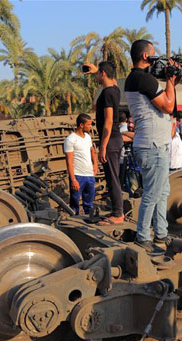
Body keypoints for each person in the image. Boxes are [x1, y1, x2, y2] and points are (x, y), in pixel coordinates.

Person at [124, 39, 179, 252]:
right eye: (154, 54)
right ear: (146, 56)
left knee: (162, 191)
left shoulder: (136, 78)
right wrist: (171, 81)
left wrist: (171, 81)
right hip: (152, 145)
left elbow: (165, 101)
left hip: (153, 144)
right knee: (152, 193)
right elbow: (168, 106)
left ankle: (161, 233)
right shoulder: (143, 79)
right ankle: (143, 236)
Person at [84, 61, 124, 225]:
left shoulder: (108, 94)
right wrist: (97, 71)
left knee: (112, 178)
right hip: (115, 139)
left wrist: (103, 146)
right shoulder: (114, 89)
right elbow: (112, 80)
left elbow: (108, 121)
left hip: (111, 140)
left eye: (99, 73)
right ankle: (117, 211)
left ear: (103, 74)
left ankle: (118, 214)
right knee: (113, 177)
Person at [64, 114, 98, 215]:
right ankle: (74, 221)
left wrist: (95, 165)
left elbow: (92, 152)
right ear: (81, 125)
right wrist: (73, 179)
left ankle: (88, 219)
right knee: (75, 203)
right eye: (89, 124)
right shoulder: (70, 139)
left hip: (89, 175)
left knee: (89, 202)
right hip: (78, 176)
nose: (90, 127)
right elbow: (69, 161)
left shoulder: (88, 137)